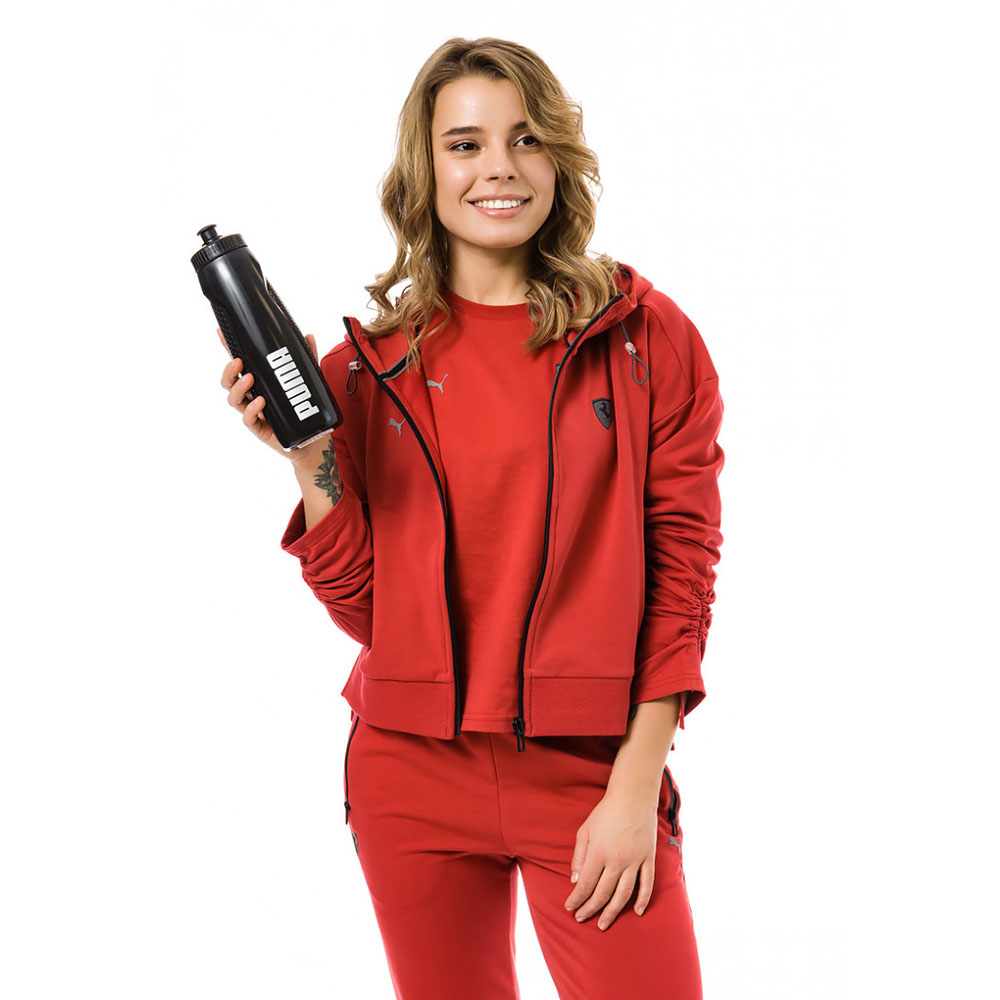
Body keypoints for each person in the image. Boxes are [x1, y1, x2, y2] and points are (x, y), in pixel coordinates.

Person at [218, 36, 723, 1000]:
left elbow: (683, 571)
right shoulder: (363, 374)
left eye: (525, 138)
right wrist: (308, 457)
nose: (499, 167)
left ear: (559, 158)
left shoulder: (644, 339)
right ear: (427, 170)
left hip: (591, 770)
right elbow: (373, 615)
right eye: (465, 144)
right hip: (409, 777)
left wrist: (634, 787)